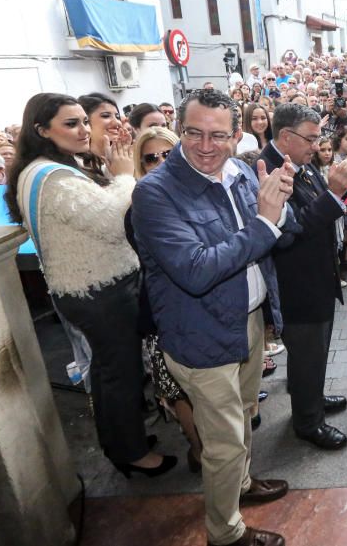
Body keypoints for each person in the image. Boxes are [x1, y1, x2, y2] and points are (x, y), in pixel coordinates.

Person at [131, 90, 295, 546]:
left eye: (218, 135)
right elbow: (197, 269)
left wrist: (282, 202)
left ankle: (241, 486)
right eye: (194, 133)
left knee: (245, 415)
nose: (206, 145)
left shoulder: (241, 169)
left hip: (247, 320)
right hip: (199, 331)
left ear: (236, 134)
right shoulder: (154, 193)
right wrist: (266, 221)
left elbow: (271, 230)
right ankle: (225, 533)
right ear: (179, 128)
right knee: (223, 443)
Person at [5, 93, 176, 480]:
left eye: (85, 121)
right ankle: (130, 453)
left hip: (93, 289)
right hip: (99, 294)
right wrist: (123, 177)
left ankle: (120, 440)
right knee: (121, 374)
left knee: (108, 372)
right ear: (41, 130)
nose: (83, 130)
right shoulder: (51, 176)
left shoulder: (49, 168)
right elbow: (109, 221)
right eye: (71, 123)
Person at [259, 103, 347, 450]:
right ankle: (308, 423)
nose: (315, 145)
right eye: (310, 138)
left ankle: (312, 398)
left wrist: (344, 185)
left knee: (315, 353)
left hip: (317, 276)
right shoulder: (269, 170)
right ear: (286, 137)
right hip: (297, 283)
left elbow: (320, 208)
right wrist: (335, 191)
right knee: (306, 353)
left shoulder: (300, 165)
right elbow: (293, 229)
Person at [125, 126, 203, 472]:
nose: (159, 162)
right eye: (150, 158)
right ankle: (199, 450)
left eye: (167, 154)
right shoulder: (140, 206)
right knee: (178, 388)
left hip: (206, 308)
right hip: (163, 311)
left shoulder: (204, 193)